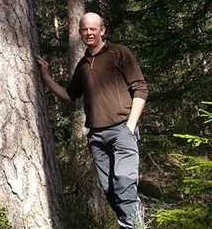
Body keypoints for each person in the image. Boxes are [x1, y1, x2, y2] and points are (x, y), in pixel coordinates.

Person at [36, 12, 148, 229]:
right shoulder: (83, 65)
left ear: (102, 30)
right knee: (110, 191)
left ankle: (135, 227)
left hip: (121, 131)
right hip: (96, 137)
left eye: (93, 29)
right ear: (80, 32)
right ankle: (132, 221)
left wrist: (130, 127)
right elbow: (69, 95)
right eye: (84, 29)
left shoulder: (118, 53)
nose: (89, 33)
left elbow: (141, 89)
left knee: (124, 184)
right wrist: (46, 76)